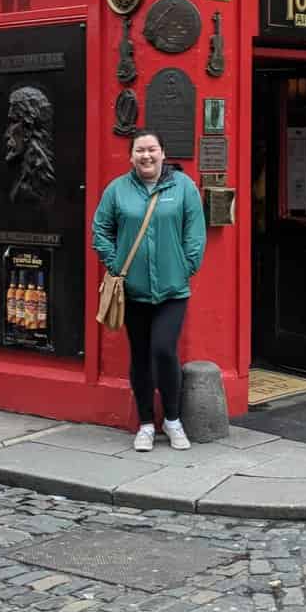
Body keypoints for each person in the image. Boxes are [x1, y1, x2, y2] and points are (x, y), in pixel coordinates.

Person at [91, 129, 207, 451]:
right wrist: (116, 265)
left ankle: (172, 420)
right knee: (140, 356)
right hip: (133, 290)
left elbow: (195, 232)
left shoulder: (183, 187)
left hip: (172, 291)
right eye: (140, 150)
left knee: (163, 350)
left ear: (163, 153)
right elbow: (99, 230)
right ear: (131, 156)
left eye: (152, 149)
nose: (146, 156)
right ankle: (144, 423)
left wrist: (186, 267)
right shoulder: (117, 190)